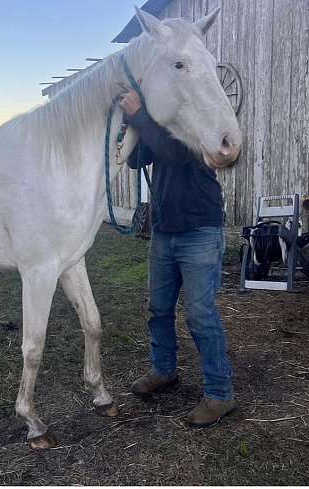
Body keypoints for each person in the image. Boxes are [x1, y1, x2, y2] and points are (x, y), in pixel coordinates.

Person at [118, 87, 236, 428]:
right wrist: (134, 123)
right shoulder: (160, 123)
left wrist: (141, 114)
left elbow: (172, 153)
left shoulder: (198, 122)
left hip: (199, 229)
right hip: (165, 230)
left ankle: (220, 393)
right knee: (159, 309)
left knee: (200, 315)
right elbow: (136, 160)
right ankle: (164, 370)